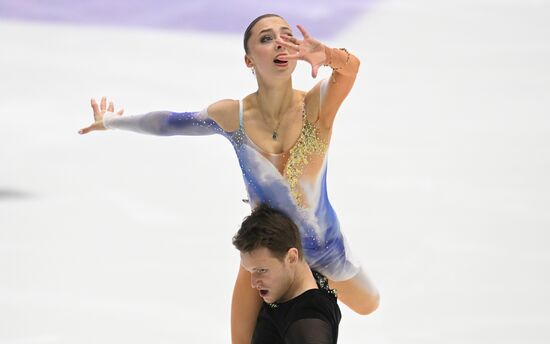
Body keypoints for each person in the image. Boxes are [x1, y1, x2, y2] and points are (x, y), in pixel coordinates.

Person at [79, 13, 379, 343]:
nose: (279, 41)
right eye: (266, 38)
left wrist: (330, 55)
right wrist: (111, 122)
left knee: (368, 303)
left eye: (286, 35)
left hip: (324, 249)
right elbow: (168, 123)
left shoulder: (315, 105)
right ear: (249, 60)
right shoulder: (233, 117)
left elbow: (350, 70)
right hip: (266, 250)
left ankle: (312, 286)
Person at [233, 204, 341, 344]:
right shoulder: (288, 285)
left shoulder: (308, 318)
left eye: (262, 270)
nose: (253, 283)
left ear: (291, 258)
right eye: (250, 270)